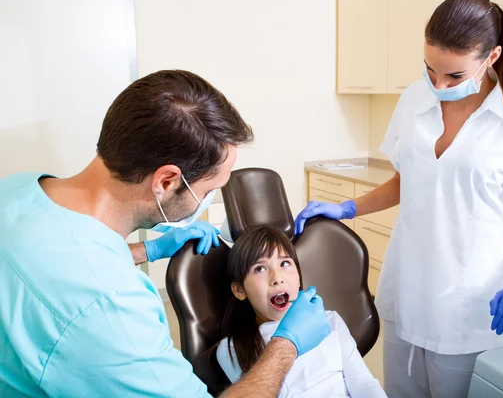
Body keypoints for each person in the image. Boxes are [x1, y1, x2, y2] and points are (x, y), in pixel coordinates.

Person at [0, 70, 331, 397]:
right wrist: (286, 345)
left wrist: (147, 251)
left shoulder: (17, 190)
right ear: (166, 182)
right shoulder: (113, 311)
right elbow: (84, 295)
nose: (210, 197)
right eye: (211, 187)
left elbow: (54, 264)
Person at [294, 0, 503, 397]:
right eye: (430, 70)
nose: (439, 86)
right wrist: (348, 208)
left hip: (469, 306)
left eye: (454, 76)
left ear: (492, 56)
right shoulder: (413, 101)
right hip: (408, 291)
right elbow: (407, 180)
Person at [215, 226, 386, 397]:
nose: (277, 278)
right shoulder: (232, 349)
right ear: (239, 290)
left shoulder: (330, 320)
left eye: (285, 263)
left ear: (298, 277)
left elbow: (363, 382)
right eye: (259, 268)